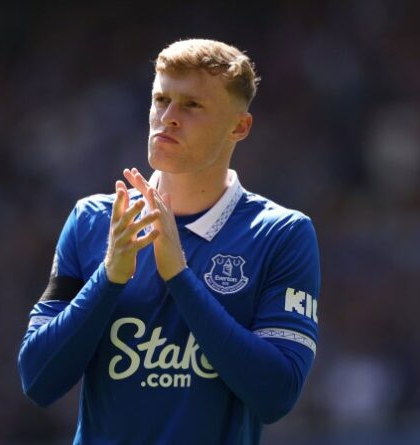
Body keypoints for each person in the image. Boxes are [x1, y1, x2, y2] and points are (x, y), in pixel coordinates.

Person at [18, 38, 320, 445]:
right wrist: (109, 277)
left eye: (192, 105)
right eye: (161, 99)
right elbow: (38, 380)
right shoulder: (93, 222)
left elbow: (276, 395)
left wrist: (179, 277)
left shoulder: (281, 234)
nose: (168, 117)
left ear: (240, 126)